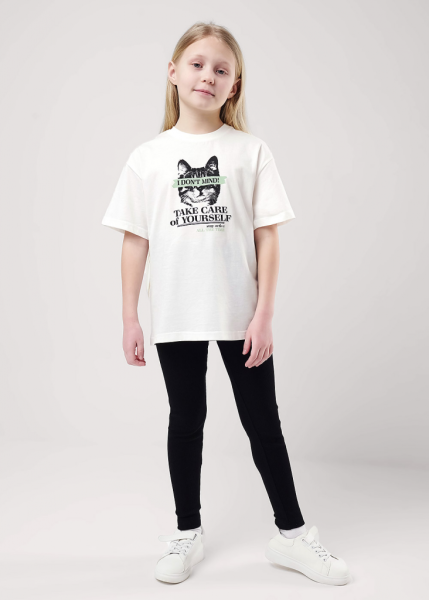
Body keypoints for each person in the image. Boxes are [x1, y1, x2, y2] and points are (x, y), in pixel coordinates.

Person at [101, 21, 351, 587]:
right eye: (197, 64)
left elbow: (268, 236)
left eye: (221, 69)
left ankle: (293, 537)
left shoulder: (249, 151)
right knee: (186, 420)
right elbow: (135, 241)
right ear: (173, 72)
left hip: (241, 312)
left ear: (234, 85)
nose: (207, 76)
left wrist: (264, 313)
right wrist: (129, 316)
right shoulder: (148, 158)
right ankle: (186, 531)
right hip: (176, 313)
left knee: (263, 422)